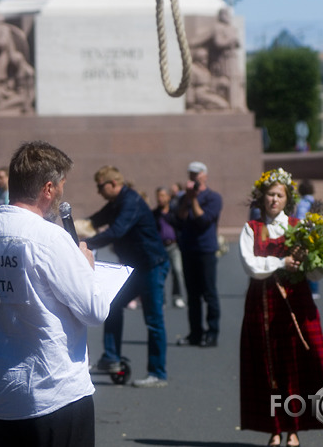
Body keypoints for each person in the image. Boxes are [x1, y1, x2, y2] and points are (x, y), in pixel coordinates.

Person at [0, 140, 110, 447]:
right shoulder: (50, 238)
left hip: (1, 397)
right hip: (57, 394)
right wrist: (87, 268)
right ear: (49, 188)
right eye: (62, 187)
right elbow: (95, 311)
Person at [239, 168, 323, 447]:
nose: (274, 200)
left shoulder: (300, 227)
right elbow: (251, 265)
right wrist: (281, 263)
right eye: (269, 194)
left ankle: (293, 429)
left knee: (296, 363)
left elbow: (316, 273)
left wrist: (316, 261)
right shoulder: (252, 229)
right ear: (261, 198)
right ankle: (274, 428)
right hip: (263, 304)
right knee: (268, 366)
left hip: (296, 301)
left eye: (279, 195)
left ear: (287, 198)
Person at [86, 166, 170, 388]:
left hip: (152, 265)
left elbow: (116, 231)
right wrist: (72, 228)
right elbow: (94, 220)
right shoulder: (116, 203)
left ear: (113, 184)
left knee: (153, 321)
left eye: (100, 186)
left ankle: (157, 374)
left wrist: (86, 243)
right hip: (135, 267)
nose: (98, 191)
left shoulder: (129, 201)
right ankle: (111, 358)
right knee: (112, 304)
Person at [175, 161, 222, 347]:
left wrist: (194, 199)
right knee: (192, 295)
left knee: (209, 293)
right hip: (188, 249)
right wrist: (187, 199)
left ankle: (212, 333)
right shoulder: (183, 198)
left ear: (205, 176)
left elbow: (203, 220)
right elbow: (178, 219)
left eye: (197, 174)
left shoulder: (213, 197)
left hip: (206, 250)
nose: (194, 177)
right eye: (191, 174)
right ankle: (195, 333)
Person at [153, 187, 185, 308]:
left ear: (168, 197)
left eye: (162, 195)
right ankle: (162, 298)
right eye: (158, 196)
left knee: (177, 271)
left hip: (174, 246)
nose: (160, 198)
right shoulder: (154, 214)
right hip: (160, 247)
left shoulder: (174, 213)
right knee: (160, 273)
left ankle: (177, 296)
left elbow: (180, 225)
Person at [295, 179, 320, 299]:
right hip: (318, 236)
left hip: (306, 237)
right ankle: (315, 290)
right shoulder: (317, 203)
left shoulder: (302, 203)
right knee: (314, 263)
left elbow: (299, 220)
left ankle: (308, 289)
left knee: (306, 263)